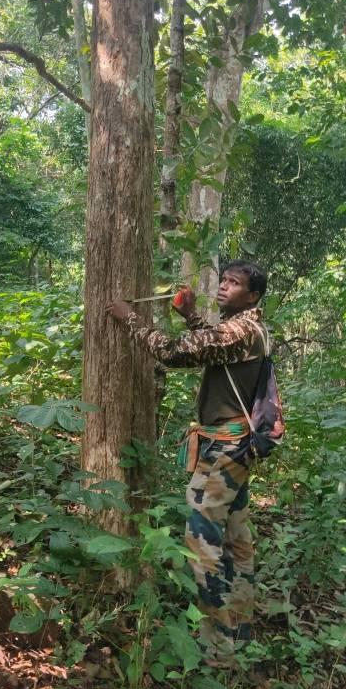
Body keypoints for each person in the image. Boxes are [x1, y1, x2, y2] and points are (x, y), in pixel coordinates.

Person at [106, 260, 268, 664]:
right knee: (236, 539)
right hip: (235, 448)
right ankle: (240, 630)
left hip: (222, 452)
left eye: (235, 283)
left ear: (253, 296)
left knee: (202, 544)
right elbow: (216, 349)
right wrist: (191, 315)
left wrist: (129, 319)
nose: (225, 286)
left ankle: (218, 648)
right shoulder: (246, 329)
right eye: (224, 280)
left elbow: (174, 353)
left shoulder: (241, 329)